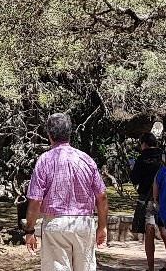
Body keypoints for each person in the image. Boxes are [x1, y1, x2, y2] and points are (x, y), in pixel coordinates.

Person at [25, 113, 108, 271]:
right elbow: (102, 196)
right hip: (83, 223)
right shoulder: (86, 159)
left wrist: (30, 230)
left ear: (49, 135)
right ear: (70, 133)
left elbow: (35, 200)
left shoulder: (44, 160)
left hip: (55, 224)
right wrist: (102, 226)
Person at [130, 133, 166, 271]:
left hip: (146, 199)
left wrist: (132, 169)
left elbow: (134, 179)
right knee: (165, 232)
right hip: (164, 198)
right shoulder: (164, 157)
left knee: (149, 231)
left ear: (145, 144)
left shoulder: (141, 159)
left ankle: (150, 267)